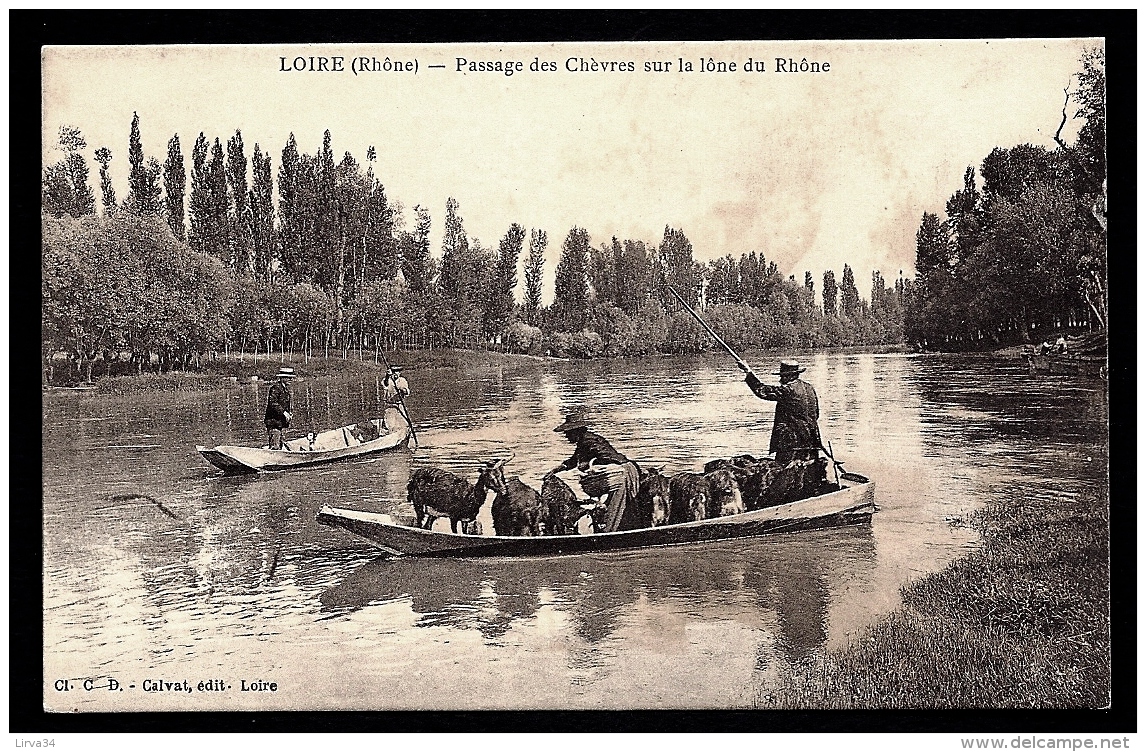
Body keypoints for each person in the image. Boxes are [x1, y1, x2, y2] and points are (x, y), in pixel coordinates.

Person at [548, 413, 641, 533]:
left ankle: (609, 532)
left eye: (568, 433)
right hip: (621, 469)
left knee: (615, 507)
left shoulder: (588, 441)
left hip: (621, 472)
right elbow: (573, 460)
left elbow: (606, 456)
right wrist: (556, 469)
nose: (566, 436)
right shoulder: (584, 441)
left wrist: (591, 465)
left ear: (576, 431)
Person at [745, 360, 827, 486]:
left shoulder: (788, 390)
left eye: (783, 376)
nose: (780, 379)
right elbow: (816, 413)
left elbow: (762, 391)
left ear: (790, 376)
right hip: (811, 440)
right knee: (809, 476)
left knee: (782, 476)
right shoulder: (809, 388)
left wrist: (748, 372)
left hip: (791, 442)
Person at [264, 366, 295, 450]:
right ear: (282, 378)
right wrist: (284, 413)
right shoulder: (275, 388)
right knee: (275, 447)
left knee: (279, 444)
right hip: (274, 422)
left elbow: (283, 404)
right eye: (288, 378)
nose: (290, 380)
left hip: (279, 423)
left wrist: (288, 413)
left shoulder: (285, 390)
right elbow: (273, 403)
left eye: (291, 378)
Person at [382, 365, 411, 433]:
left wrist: (402, 389)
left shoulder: (402, 380)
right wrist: (387, 376)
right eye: (394, 371)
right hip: (390, 406)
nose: (395, 373)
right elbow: (385, 384)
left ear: (399, 373)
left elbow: (406, 391)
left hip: (400, 406)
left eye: (397, 371)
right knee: (390, 425)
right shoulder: (387, 380)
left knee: (404, 425)